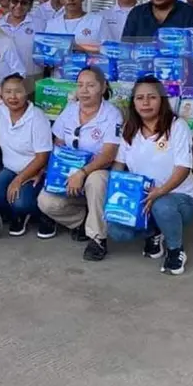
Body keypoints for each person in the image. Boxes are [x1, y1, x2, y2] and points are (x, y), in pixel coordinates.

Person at [113, 76, 193, 275]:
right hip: (142, 197)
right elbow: (119, 163)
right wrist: (112, 193)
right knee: (116, 230)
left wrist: (159, 192)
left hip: (179, 199)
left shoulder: (177, 127)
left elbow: (183, 168)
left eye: (152, 97)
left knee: (162, 205)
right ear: (133, 102)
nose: (145, 103)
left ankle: (175, 250)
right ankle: (155, 232)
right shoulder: (129, 129)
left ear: (162, 99)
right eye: (139, 98)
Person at [37, 66, 123, 258]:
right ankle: (82, 221)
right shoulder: (70, 110)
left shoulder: (112, 114)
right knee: (45, 201)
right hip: (70, 172)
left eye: (90, 85)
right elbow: (58, 142)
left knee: (96, 180)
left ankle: (97, 239)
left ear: (102, 87)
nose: (84, 91)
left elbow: (109, 154)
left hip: (97, 171)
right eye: (80, 85)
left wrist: (82, 173)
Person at [0, 74, 53, 237]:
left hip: (35, 171)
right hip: (10, 168)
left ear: (26, 93)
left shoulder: (37, 117)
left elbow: (42, 157)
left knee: (21, 201)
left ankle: (42, 215)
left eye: (18, 92)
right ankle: (17, 213)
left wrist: (18, 180)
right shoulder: (0, 109)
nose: (13, 97)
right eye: (8, 92)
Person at [45, 0, 109, 54]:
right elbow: (46, 52)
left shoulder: (98, 21)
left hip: (90, 65)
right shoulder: (52, 24)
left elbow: (109, 50)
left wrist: (82, 48)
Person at [0, 0, 45, 80]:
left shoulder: (40, 24)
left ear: (30, 5)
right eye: (15, 1)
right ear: (9, 2)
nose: (18, 6)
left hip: (33, 79)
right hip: (4, 79)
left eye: (24, 2)